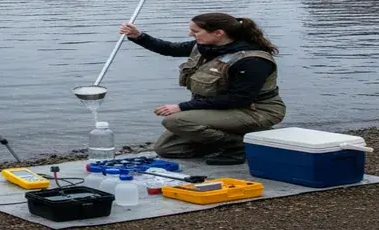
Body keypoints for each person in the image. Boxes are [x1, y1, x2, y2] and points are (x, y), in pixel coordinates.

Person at [119, 13, 286, 165]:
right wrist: (138, 36)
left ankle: (238, 145)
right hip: (222, 108)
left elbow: (238, 99)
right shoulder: (204, 47)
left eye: (195, 31)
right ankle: (249, 136)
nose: (190, 34)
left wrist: (181, 107)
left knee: (174, 121)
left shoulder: (252, 60)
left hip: (256, 110)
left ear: (218, 33)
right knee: (166, 149)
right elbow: (169, 48)